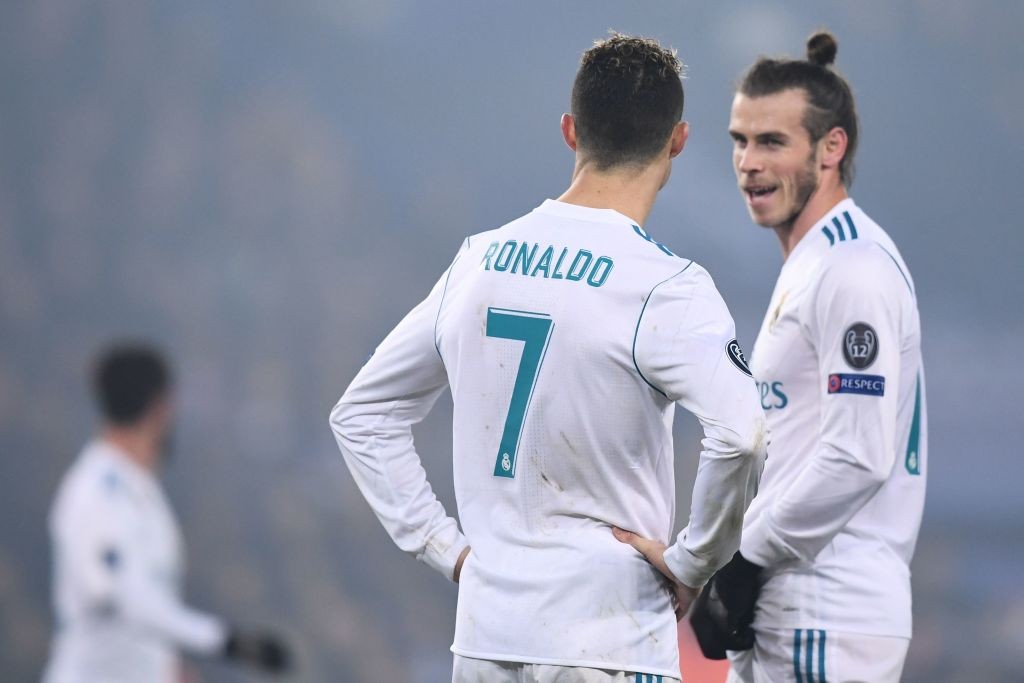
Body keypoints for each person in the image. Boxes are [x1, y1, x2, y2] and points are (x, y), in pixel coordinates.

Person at [330, 34, 766, 683]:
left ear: (569, 131)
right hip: (608, 637)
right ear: (678, 140)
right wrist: (692, 561)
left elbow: (361, 413)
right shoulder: (666, 286)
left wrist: (447, 550)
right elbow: (743, 435)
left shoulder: (477, 260)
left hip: (484, 637)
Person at [688, 31, 928, 683]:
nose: (748, 162)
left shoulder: (852, 269)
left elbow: (857, 454)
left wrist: (746, 565)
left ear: (831, 148)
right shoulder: (814, 260)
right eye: (740, 139)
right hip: (795, 607)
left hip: (827, 606)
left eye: (772, 142)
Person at [43, 343, 291, 683]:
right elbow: (124, 597)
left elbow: (142, 613)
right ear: (161, 405)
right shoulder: (98, 492)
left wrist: (164, 666)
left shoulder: (137, 489)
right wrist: (226, 641)